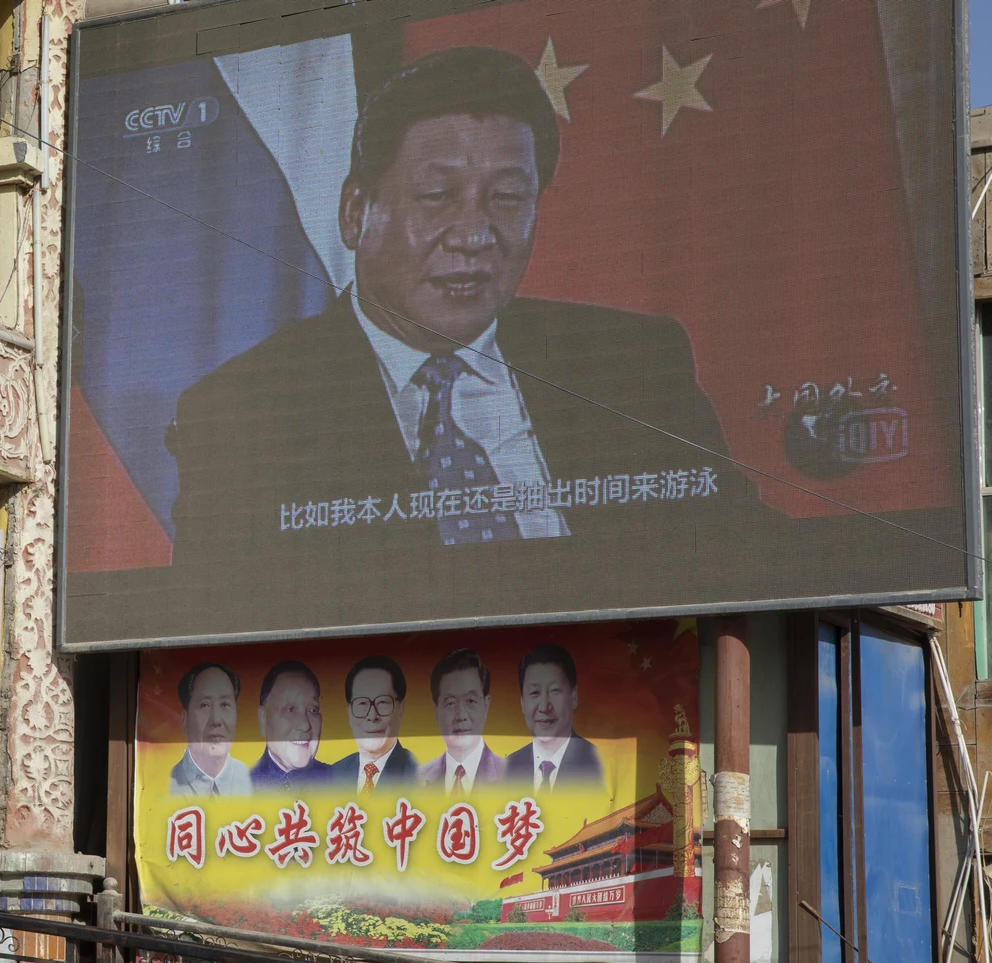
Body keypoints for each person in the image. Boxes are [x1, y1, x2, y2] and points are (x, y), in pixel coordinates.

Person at [165, 47, 762, 578]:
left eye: (506, 199)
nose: (475, 235)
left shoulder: (631, 364)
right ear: (355, 213)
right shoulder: (241, 412)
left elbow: (749, 554)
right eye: (437, 197)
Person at [505, 642, 605, 791]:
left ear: (574, 695)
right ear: (522, 702)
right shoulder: (505, 769)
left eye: (555, 690)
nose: (544, 707)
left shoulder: (600, 765)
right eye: (534, 693)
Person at [417, 649, 504, 794]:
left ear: (486, 706)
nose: (461, 715)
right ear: (436, 711)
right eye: (450, 703)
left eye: (470, 701)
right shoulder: (416, 780)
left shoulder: (513, 776)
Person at [329, 655, 418, 793]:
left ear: (400, 708)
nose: (372, 716)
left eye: (382, 702)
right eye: (362, 704)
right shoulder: (332, 775)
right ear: (349, 712)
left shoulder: (418, 775)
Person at [169, 661, 252, 795]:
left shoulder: (253, 782)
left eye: (225, 704)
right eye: (205, 705)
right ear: (184, 719)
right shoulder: (167, 787)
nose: (216, 720)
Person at [249, 660, 334, 791]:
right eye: (291, 709)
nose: (305, 725)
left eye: (313, 710)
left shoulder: (340, 781)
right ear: (263, 719)